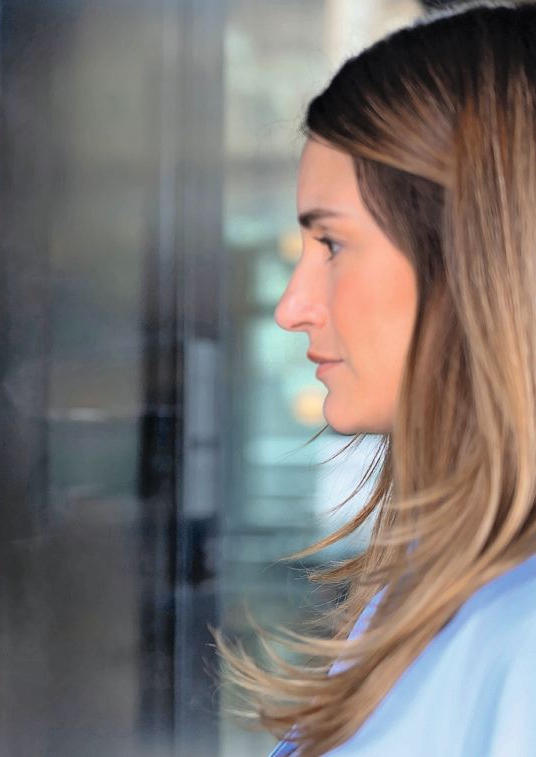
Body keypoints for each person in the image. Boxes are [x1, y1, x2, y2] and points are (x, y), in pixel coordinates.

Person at [210, 2, 536, 755]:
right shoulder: (428, 586)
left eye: (331, 243)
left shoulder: (519, 636)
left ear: (473, 252)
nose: (292, 307)